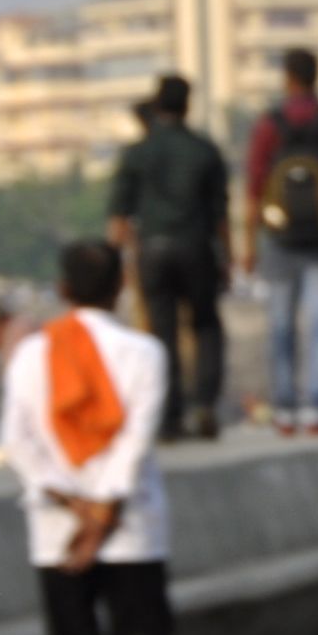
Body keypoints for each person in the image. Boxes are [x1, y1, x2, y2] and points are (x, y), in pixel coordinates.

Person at [0, 239, 174, 635]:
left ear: (63, 289)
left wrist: (75, 505)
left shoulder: (31, 354)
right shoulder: (145, 352)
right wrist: (102, 512)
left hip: (56, 532)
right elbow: (136, 438)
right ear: (121, 287)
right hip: (131, 525)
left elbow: (17, 442)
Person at [241, 49, 318, 436]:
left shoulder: (268, 126)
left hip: (279, 240)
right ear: (317, 76)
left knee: (280, 324)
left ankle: (284, 409)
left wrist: (248, 245)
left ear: (287, 78)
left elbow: (255, 189)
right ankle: (316, 408)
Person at [108, 74, 230, 440]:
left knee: (161, 335)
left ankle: (168, 416)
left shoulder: (138, 152)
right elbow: (220, 216)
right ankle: (204, 404)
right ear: (188, 106)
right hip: (196, 248)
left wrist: (118, 264)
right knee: (205, 325)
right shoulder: (204, 150)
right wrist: (228, 258)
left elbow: (119, 219)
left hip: (153, 250)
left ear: (158, 104)